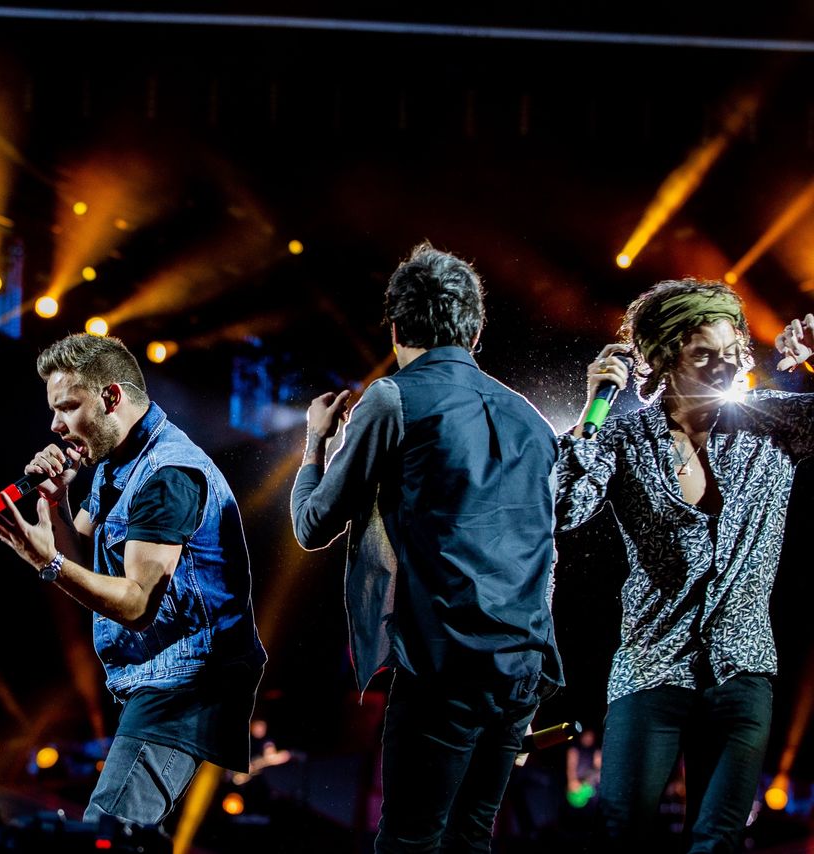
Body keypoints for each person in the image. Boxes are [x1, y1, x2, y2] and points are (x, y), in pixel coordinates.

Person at [290, 242, 562, 852]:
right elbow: (546, 545)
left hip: (445, 664)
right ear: (477, 325)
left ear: (394, 324)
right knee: (470, 837)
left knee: (410, 841)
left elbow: (311, 525)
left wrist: (316, 442)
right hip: (522, 664)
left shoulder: (393, 398)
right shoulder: (532, 418)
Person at [556, 280, 814, 851]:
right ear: (660, 359)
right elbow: (564, 506)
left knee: (716, 839)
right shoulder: (623, 437)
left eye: (730, 353)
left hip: (742, 669)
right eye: (703, 355)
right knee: (622, 833)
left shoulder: (773, 424)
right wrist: (593, 406)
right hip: (651, 668)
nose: (723, 369)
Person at [0, 333, 266, 826]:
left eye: (67, 406)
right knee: (121, 834)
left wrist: (47, 562)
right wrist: (55, 501)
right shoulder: (117, 460)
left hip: (187, 683)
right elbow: (86, 550)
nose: (55, 424)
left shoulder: (167, 474)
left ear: (111, 397)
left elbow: (135, 603)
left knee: (108, 830)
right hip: (155, 676)